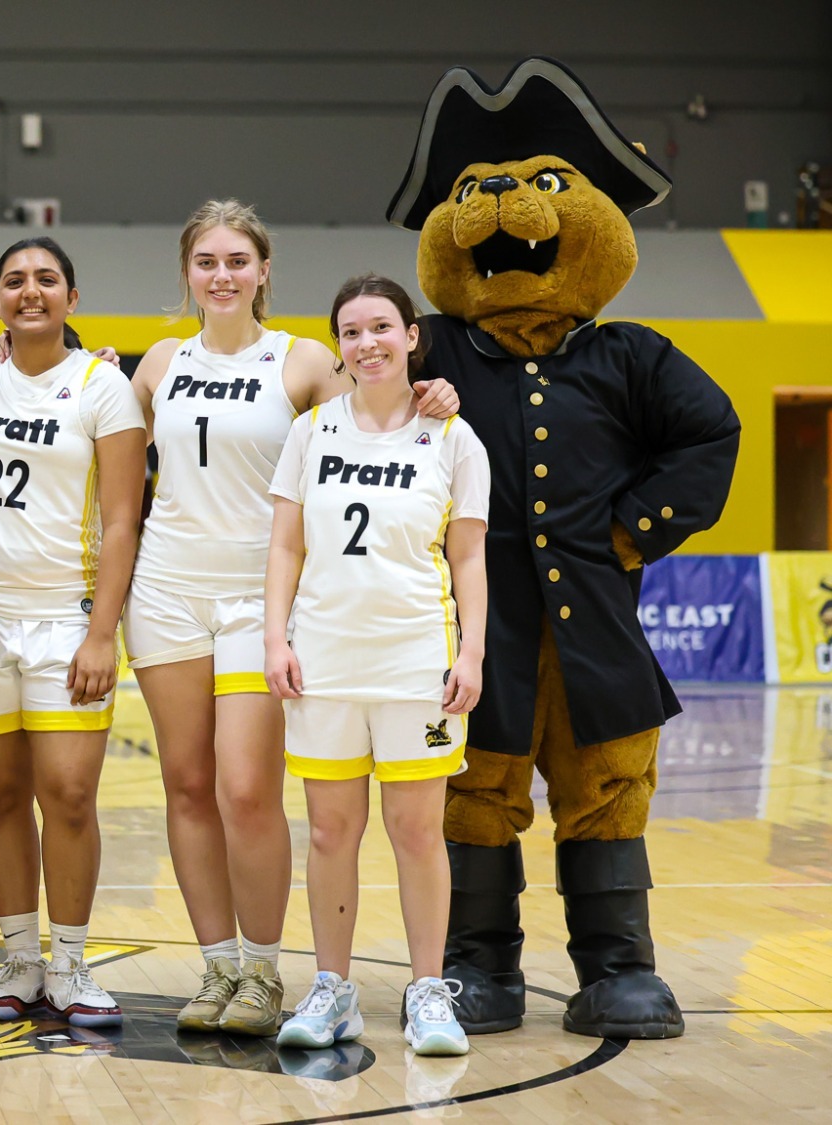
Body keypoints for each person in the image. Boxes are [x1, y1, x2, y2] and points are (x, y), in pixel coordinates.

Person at [121, 200, 458, 1037]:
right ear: (187, 272)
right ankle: (217, 966)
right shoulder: (159, 361)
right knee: (188, 784)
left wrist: (432, 392)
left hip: (259, 597)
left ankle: (266, 971)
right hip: (164, 591)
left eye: (238, 260)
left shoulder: (302, 358)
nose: (223, 275)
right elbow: (101, 442)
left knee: (245, 788)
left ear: (264, 270)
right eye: (207, 261)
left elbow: (376, 421)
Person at [264, 274, 488, 1057]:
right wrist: (274, 638)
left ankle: (429, 991)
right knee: (331, 830)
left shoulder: (454, 437)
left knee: (417, 830)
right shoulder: (312, 431)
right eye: (352, 331)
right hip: (323, 659)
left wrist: (471, 650)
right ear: (339, 346)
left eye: (381, 327)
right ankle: (334, 991)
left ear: (412, 335)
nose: (368, 343)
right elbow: (286, 545)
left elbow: (468, 557)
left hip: (415, 662)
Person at [0, 237, 146, 1028]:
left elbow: (123, 520)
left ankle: (73, 962)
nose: (31, 291)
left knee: (71, 794)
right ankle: (20, 960)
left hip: (65, 616)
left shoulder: (104, 387)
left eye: (46, 279)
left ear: (72, 298)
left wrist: (101, 633)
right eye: (15, 281)